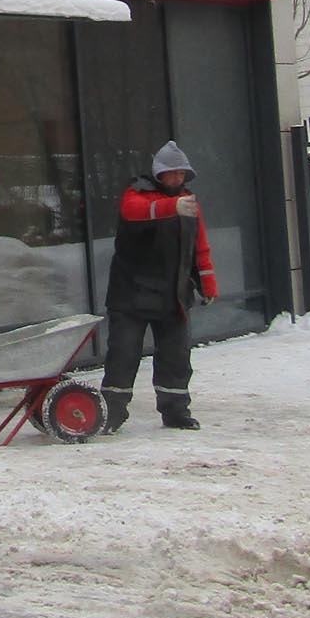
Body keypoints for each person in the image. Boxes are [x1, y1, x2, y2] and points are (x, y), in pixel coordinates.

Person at [102, 141, 218, 431]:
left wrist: (208, 282)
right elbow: (134, 212)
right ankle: (112, 413)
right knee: (123, 355)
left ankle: (176, 411)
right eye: (172, 173)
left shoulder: (189, 202)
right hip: (131, 295)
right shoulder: (136, 193)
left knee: (176, 357)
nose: (177, 179)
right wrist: (171, 207)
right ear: (159, 174)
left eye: (182, 174)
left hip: (173, 295)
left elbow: (199, 246)